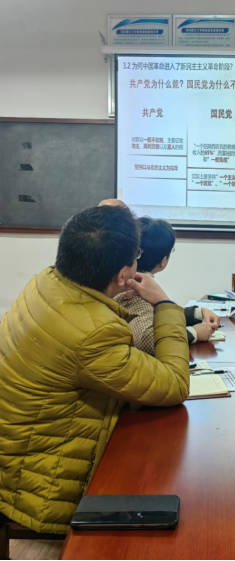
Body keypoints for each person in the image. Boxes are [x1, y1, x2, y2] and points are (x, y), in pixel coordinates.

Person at [0, 206, 189, 534]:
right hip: (43, 484)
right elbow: (174, 384)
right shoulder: (94, 333)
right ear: (123, 274)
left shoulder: (45, 282)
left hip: (15, 452)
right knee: (170, 476)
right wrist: (165, 304)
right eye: (136, 256)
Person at [115, 217, 220, 353]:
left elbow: (160, 315)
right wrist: (192, 333)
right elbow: (148, 341)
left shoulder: (127, 280)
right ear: (163, 261)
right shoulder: (135, 289)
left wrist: (196, 313)